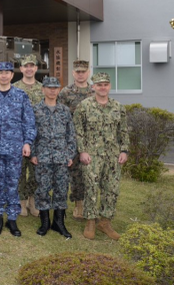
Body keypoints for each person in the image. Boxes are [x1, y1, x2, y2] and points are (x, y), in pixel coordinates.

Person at [0, 61, 36, 237]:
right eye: (0, 72)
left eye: (7, 72)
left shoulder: (21, 95)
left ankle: (12, 218)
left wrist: (27, 142)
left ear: (12, 75)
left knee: (12, 183)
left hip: (15, 147)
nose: (3, 75)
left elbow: (29, 121)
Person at [73, 72, 129, 241]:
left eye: (105, 84)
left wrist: (124, 151)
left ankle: (105, 221)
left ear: (109, 86)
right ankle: (90, 220)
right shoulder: (84, 106)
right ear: (93, 87)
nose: (103, 87)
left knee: (111, 189)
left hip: (113, 156)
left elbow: (123, 131)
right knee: (91, 187)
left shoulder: (118, 107)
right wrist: (82, 151)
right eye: (99, 84)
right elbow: (78, 131)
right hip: (92, 155)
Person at [31, 76, 76, 239]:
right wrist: (33, 153)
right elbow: (32, 134)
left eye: (55, 88)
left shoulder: (65, 111)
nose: (52, 90)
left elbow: (71, 135)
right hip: (42, 157)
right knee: (42, 189)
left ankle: (59, 222)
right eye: (49, 87)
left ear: (59, 90)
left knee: (61, 189)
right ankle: (44, 223)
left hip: (61, 157)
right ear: (43, 89)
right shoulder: (35, 110)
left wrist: (70, 154)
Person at [58, 59, 94, 220]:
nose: (80, 74)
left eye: (83, 72)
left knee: (89, 173)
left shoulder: (95, 91)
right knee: (71, 174)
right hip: (70, 139)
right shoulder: (65, 92)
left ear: (88, 73)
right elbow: (59, 116)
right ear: (73, 73)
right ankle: (73, 205)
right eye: (77, 71)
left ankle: (86, 205)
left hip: (91, 140)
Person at [12, 54, 43, 217]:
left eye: (32, 66)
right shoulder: (14, 88)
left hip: (38, 137)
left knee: (36, 171)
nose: (29, 69)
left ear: (36, 68)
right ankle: (22, 202)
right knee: (20, 171)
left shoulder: (43, 88)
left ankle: (33, 201)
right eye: (26, 66)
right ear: (21, 68)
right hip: (18, 136)